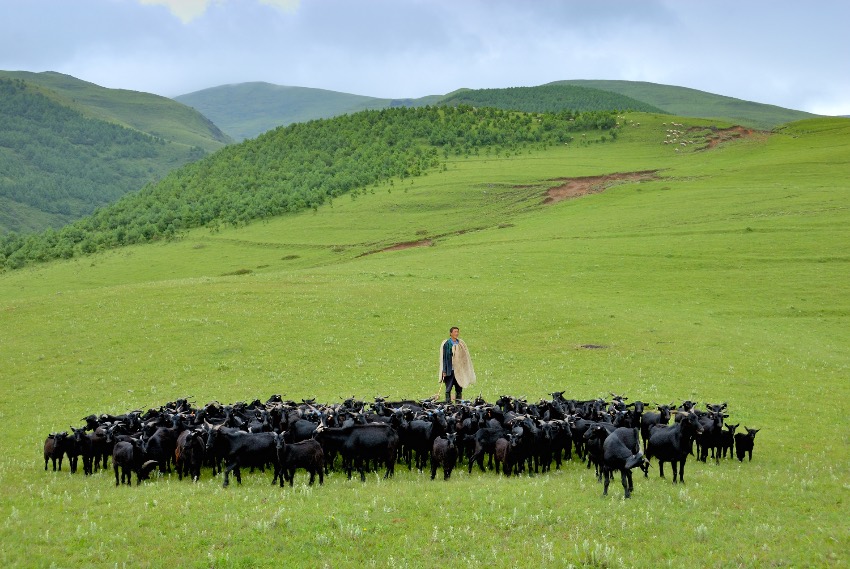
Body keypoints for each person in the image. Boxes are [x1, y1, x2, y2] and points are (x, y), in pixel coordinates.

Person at [439, 326, 476, 404]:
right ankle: (448, 404)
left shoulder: (460, 343)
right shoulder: (447, 344)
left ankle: (458, 404)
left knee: (459, 388)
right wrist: (444, 370)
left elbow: (464, 356)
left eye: (457, 332)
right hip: (450, 370)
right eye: (455, 332)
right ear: (451, 333)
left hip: (459, 371)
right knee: (448, 388)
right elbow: (445, 358)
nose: (456, 333)